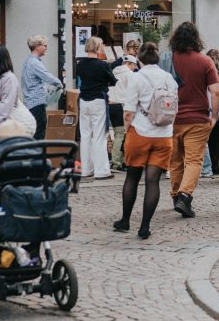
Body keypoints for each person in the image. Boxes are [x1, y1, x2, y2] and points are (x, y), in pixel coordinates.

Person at [113, 42, 178, 239]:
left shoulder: (137, 77)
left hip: (140, 132)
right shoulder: (169, 78)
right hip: (164, 135)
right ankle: (145, 226)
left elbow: (128, 111)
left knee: (132, 177)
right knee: (153, 181)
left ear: (140, 59)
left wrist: (128, 131)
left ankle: (125, 220)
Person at [169, 21, 219, 218]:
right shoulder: (205, 61)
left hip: (171, 118)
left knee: (174, 161)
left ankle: (175, 195)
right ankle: (185, 196)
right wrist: (214, 116)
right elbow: (215, 92)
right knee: (193, 160)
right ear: (196, 38)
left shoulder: (169, 59)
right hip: (197, 118)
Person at [76, 36, 117, 179]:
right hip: (98, 100)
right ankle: (102, 171)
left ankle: (86, 169)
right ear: (98, 47)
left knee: (85, 136)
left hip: (83, 100)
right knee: (99, 136)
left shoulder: (80, 64)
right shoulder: (102, 65)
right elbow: (113, 81)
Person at [21, 35, 62, 140]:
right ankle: (36, 155)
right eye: (45, 45)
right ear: (37, 46)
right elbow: (46, 75)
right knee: (39, 132)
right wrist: (59, 83)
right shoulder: (34, 62)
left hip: (31, 102)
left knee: (35, 131)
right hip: (36, 102)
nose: (46, 48)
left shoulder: (29, 61)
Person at [108, 40, 140, 170]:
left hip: (111, 105)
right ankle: (117, 162)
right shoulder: (130, 75)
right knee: (121, 134)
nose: (135, 68)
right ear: (130, 63)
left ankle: (117, 160)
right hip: (121, 104)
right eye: (134, 66)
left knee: (117, 133)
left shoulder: (113, 71)